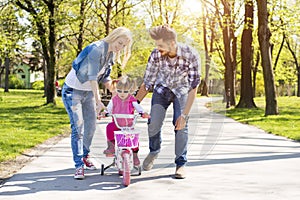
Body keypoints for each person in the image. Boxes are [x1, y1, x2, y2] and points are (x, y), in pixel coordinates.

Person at [62, 27, 133, 180]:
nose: (119, 47)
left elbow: (104, 77)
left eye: (123, 46)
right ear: (113, 37)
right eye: (119, 43)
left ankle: (85, 155)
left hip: (88, 92)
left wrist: (115, 92)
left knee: (91, 126)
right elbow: (92, 77)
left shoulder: (111, 54)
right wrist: (98, 101)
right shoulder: (96, 49)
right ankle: (78, 165)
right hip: (73, 91)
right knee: (78, 127)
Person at [135, 25, 201, 179]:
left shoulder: (190, 55)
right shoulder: (156, 55)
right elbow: (147, 83)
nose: (158, 48)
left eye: (160, 45)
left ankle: (180, 163)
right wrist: (133, 104)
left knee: (181, 125)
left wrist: (184, 115)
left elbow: (193, 87)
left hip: (182, 91)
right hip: (161, 90)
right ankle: (154, 151)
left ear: (172, 43)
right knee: (154, 123)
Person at [101, 76, 150, 167]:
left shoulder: (132, 100)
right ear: (116, 90)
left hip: (128, 125)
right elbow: (108, 109)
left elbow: (139, 109)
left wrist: (143, 113)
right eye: (119, 91)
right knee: (109, 127)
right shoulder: (114, 99)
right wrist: (104, 113)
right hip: (117, 124)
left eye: (125, 91)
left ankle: (135, 155)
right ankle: (111, 146)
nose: (122, 94)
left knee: (133, 138)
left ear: (130, 91)